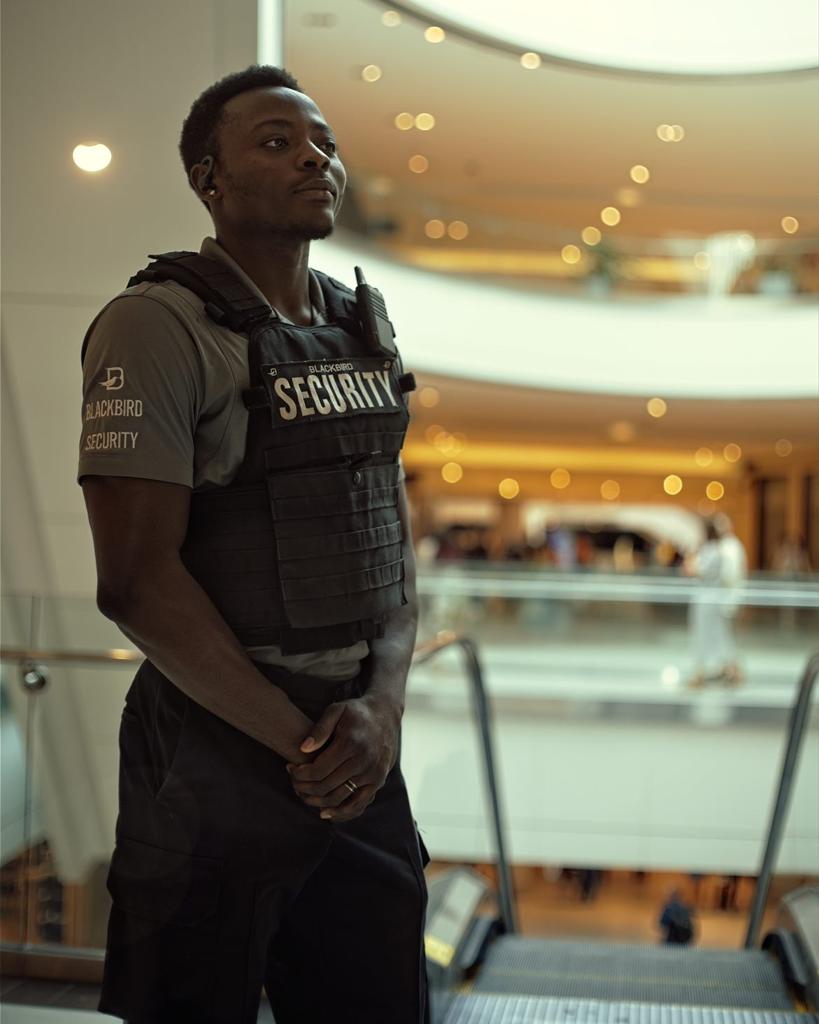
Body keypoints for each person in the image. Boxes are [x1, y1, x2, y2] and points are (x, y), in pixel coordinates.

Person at [79, 65, 428, 1023]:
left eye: (321, 141)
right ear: (209, 181)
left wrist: (382, 713)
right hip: (212, 751)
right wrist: (311, 747)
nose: (313, 156)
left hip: (359, 748)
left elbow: (390, 545)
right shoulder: (154, 326)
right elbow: (137, 584)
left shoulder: (364, 324)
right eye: (276, 141)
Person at [684, 517, 745, 688]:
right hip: (714, 599)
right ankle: (727, 669)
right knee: (720, 635)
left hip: (710, 601)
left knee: (711, 636)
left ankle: (707, 672)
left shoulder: (714, 551)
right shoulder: (719, 549)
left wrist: (691, 558)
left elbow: (695, 570)